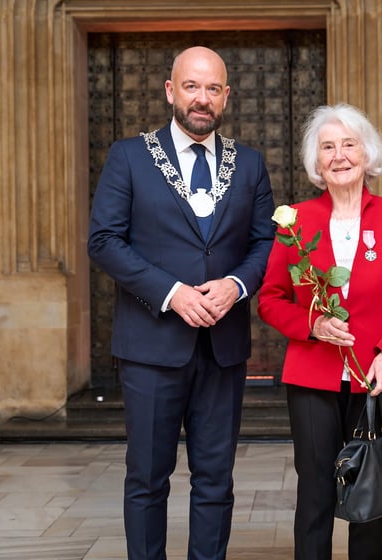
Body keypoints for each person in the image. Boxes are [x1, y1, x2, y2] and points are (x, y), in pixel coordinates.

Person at [87, 46, 274, 560]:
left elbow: (265, 244)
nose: (202, 98)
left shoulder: (250, 163)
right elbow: (104, 240)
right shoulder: (129, 156)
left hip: (222, 348)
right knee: (147, 478)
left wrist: (236, 285)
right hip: (151, 347)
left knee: (216, 479)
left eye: (213, 88)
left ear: (227, 96)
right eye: (192, 86)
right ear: (171, 91)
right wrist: (171, 293)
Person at [257, 103, 382, 560]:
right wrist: (312, 325)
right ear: (316, 162)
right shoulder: (294, 221)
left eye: (349, 144)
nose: (339, 155)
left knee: (370, 494)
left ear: (367, 154)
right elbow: (270, 300)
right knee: (315, 489)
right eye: (327, 147)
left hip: (378, 375)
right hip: (313, 374)